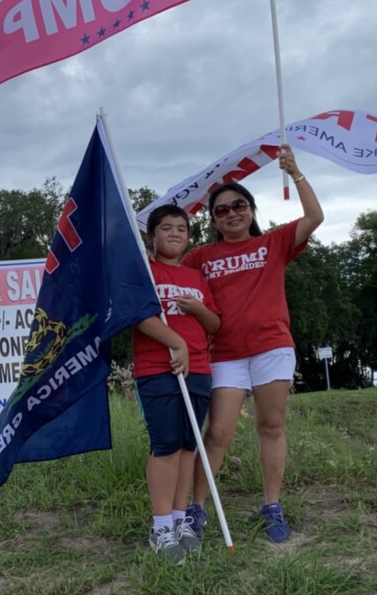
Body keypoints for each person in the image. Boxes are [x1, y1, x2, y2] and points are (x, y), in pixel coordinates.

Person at [182, 145, 323, 543]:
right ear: (213, 219)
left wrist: (295, 173)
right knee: (217, 433)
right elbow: (166, 272)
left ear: (252, 210)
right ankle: (196, 508)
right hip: (224, 354)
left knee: (271, 425)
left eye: (239, 205)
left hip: (272, 348)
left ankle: (272, 506)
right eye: (221, 210)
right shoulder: (200, 257)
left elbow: (314, 217)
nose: (232, 213)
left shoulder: (273, 243)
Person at [133, 204, 221, 562]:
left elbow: (214, 324)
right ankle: (160, 526)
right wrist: (177, 342)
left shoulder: (196, 277)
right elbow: (139, 316)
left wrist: (197, 309)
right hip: (159, 368)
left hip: (198, 370)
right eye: (166, 228)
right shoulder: (144, 270)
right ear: (151, 235)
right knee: (166, 446)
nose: (174, 233)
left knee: (188, 445)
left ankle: (180, 518)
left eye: (181, 229)